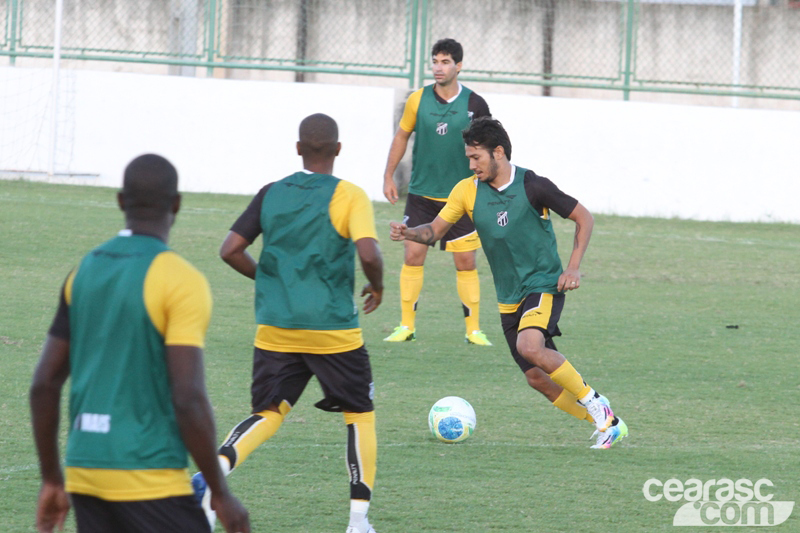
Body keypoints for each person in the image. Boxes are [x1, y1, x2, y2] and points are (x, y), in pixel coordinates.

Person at [29, 154, 250, 533]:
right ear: (177, 204)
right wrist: (219, 492)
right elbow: (188, 396)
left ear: (119, 201)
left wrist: (52, 478)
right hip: (150, 476)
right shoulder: (181, 279)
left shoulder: (84, 269)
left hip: (85, 472)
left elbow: (43, 384)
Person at [191, 113, 384, 533]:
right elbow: (369, 254)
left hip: (276, 326)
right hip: (333, 330)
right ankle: (358, 522)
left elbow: (230, 250)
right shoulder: (350, 195)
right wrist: (377, 285)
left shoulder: (270, 193)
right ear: (338, 149)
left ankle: (212, 480)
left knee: (268, 412)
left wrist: (270, 280)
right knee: (359, 413)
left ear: (298, 149)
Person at [389, 117, 628, 449]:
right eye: (469, 158)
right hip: (508, 296)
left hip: (543, 284)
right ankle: (608, 424)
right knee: (536, 378)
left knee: (529, 347)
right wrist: (410, 233)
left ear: (497, 152)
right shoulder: (466, 191)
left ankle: (597, 404)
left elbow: (583, 217)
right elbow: (434, 232)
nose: (471, 165)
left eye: (476, 157)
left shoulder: (532, 185)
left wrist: (573, 268)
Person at [382, 38, 492, 346]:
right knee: (413, 254)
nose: (438, 68)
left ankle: (474, 331)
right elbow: (402, 136)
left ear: (459, 66)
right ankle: (406, 326)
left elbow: (488, 145)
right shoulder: (417, 100)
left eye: (445, 62)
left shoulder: (475, 104)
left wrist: (490, 181)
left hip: (462, 197)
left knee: (466, 262)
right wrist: (389, 175)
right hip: (421, 194)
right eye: (435, 61)